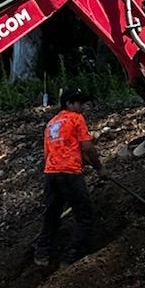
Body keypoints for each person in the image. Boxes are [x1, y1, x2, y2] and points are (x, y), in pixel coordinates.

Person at [34, 102, 99, 269]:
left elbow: (49, 152)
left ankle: (42, 252)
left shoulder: (51, 123)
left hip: (51, 173)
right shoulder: (76, 118)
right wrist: (100, 168)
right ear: (69, 104)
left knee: (52, 213)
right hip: (70, 173)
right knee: (84, 213)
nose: (81, 106)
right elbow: (88, 148)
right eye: (78, 102)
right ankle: (74, 254)